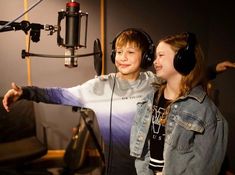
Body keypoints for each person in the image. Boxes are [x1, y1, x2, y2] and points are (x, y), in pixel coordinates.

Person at [2, 28, 232, 175]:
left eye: (131, 52)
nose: (122, 57)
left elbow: (182, 79)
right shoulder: (99, 86)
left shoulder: (154, 81)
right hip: (117, 166)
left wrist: (212, 70)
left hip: (152, 165)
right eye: (119, 52)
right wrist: (26, 92)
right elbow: (59, 94)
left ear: (146, 57)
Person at [130, 32, 228, 175]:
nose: (155, 62)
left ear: (183, 59)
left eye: (161, 55)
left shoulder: (205, 111)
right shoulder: (149, 100)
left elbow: (205, 167)